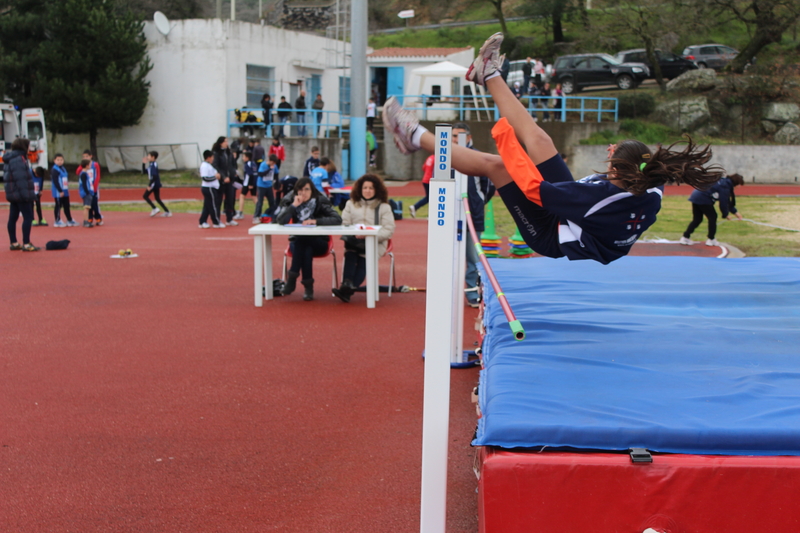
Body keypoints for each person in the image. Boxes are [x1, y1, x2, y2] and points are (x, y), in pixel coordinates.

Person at [382, 32, 722, 266]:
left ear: (618, 171)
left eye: (611, 154)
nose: (608, 151)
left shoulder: (598, 199)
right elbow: (650, 164)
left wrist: (506, 137)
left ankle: (412, 135)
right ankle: (488, 75)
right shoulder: (650, 183)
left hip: (551, 235)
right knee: (543, 142)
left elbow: (532, 188)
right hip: (581, 220)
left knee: (498, 166)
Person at [274, 177, 342, 301]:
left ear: (312, 191)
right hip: (299, 244)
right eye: (300, 190)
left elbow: (337, 219)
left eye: (307, 189)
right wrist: (294, 205)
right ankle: (308, 287)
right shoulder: (290, 201)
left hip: (320, 242)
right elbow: (280, 221)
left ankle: (292, 278)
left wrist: (316, 221)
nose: (303, 193)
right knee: (305, 246)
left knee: (303, 242)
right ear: (296, 191)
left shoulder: (320, 201)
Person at [451, 122, 495, 307]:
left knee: (473, 257)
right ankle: (447, 294)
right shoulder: (446, 157)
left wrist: (478, 200)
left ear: (468, 137)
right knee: (449, 255)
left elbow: (489, 185)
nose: (455, 139)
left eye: (458, 136)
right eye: (453, 136)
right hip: (450, 216)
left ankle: (472, 294)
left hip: (472, 215)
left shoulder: (477, 157)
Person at [333, 174, 396, 303]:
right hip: (354, 240)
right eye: (365, 188)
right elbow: (345, 224)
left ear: (377, 190)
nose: (367, 191)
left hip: (376, 242)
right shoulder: (351, 204)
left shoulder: (384, 207)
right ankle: (347, 285)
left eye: (371, 188)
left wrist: (370, 236)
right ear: (360, 189)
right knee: (350, 254)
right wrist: (354, 233)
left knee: (363, 259)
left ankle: (347, 290)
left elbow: (388, 229)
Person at [680, 173, 744, 246]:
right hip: (703, 198)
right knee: (713, 217)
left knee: (697, 219)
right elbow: (723, 202)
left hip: (696, 196)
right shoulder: (725, 186)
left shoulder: (723, 182)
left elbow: (727, 202)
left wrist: (735, 213)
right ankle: (711, 239)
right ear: (737, 184)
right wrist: (725, 214)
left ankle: (685, 237)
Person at [4, 138, 40, 251]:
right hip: (20, 194)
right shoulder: (19, 159)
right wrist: (27, 196)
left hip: (14, 193)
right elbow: (21, 179)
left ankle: (14, 242)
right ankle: (26, 243)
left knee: (13, 218)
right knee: (28, 217)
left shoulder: (12, 158)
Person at [212, 137, 237, 226]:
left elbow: (233, 164)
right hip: (221, 181)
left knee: (230, 199)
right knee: (218, 200)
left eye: (227, 141)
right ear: (220, 143)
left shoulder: (229, 152)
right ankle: (217, 219)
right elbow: (216, 166)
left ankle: (229, 218)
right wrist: (224, 176)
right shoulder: (216, 153)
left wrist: (233, 173)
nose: (227, 143)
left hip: (230, 180)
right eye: (225, 141)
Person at [76, 149, 103, 225]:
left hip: (93, 187)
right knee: (88, 204)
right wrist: (82, 166)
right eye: (84, 157)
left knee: (94, 203)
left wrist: (95, 187)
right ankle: (89, 218)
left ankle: (98, 218)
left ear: (90, 156)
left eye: (87, 156)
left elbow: (97, 176)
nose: (85, 158)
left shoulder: (95, 165)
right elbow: (77, 172)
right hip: (87, 188)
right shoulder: (83, 166)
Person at [142, 151, 172, 218]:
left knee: (145, 196)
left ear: (153, 157)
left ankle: (154, 208)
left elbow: (154, 176)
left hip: (154, 184)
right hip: (155, 183)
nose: (147, 157)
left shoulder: (153, 165)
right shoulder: (151, 164)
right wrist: (143, 164)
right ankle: (167, 211)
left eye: (149, 156)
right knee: (157, 198)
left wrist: (149, 185)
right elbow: (144, 172)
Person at [50, 154, 76, 228]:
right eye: (58, 160)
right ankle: (57, 220)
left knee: (67, 205)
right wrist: (60, 190)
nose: (60, 161)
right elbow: (55, 181)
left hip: (65, 190)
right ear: (54, 160)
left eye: (61, 160)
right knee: (58, 205)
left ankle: (69, 219)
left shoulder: (63, 168)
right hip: (59, 191)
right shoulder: (54, 169)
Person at [199, 149, 222, 228]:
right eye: (212, 157)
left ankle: (202, 221)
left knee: (207, 206)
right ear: (208, 157)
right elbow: (205, 178)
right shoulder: (204, 166)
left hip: (211, 187)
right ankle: (216, 222)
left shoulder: (209, 165)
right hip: (208, 188)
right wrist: (215, 177)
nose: (213, 159)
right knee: (213, 205)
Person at [254, 154, 279, 223]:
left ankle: (273, 215)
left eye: (274, 163)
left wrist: (277, 184)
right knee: (260, 202)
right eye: (272, 163)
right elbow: (260, 174)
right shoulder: (263, 165)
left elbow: (276, 174)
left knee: (272, 202)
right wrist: (269, 169)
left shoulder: (275, 166)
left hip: (269, 186)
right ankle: (256, 216)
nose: (273, 164)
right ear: (270, 161)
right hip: (261, 186)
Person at [409, 154, 434, 218]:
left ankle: (415, 207)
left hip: (425, 179)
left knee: (430, 198)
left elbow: (424, 167)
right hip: (430, 180)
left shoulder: (430, 157)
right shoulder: (438, 159)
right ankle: (416, 207)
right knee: (431, 198)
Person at [237, 151, 258, 220]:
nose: (242, 158)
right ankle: (259, 212)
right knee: (254, 197)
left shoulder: (247, 165)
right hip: (254, 183)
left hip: (248, 183)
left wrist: (250, 184)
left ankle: (240, 213)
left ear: (247, 157)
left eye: (243, 156)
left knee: (242, 196)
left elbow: (250, 174)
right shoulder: (254, 164)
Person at [78, 159, 96, 227]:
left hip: (88, 192)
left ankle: (87, 220)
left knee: (88, 207)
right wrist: (87, 192)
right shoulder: (83, 174)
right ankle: (85, 221)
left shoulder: (85, 173)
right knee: (86, 207)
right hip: (86, 193)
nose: (91, 166)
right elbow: (85, 184)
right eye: (90, 164)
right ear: (87, 165)